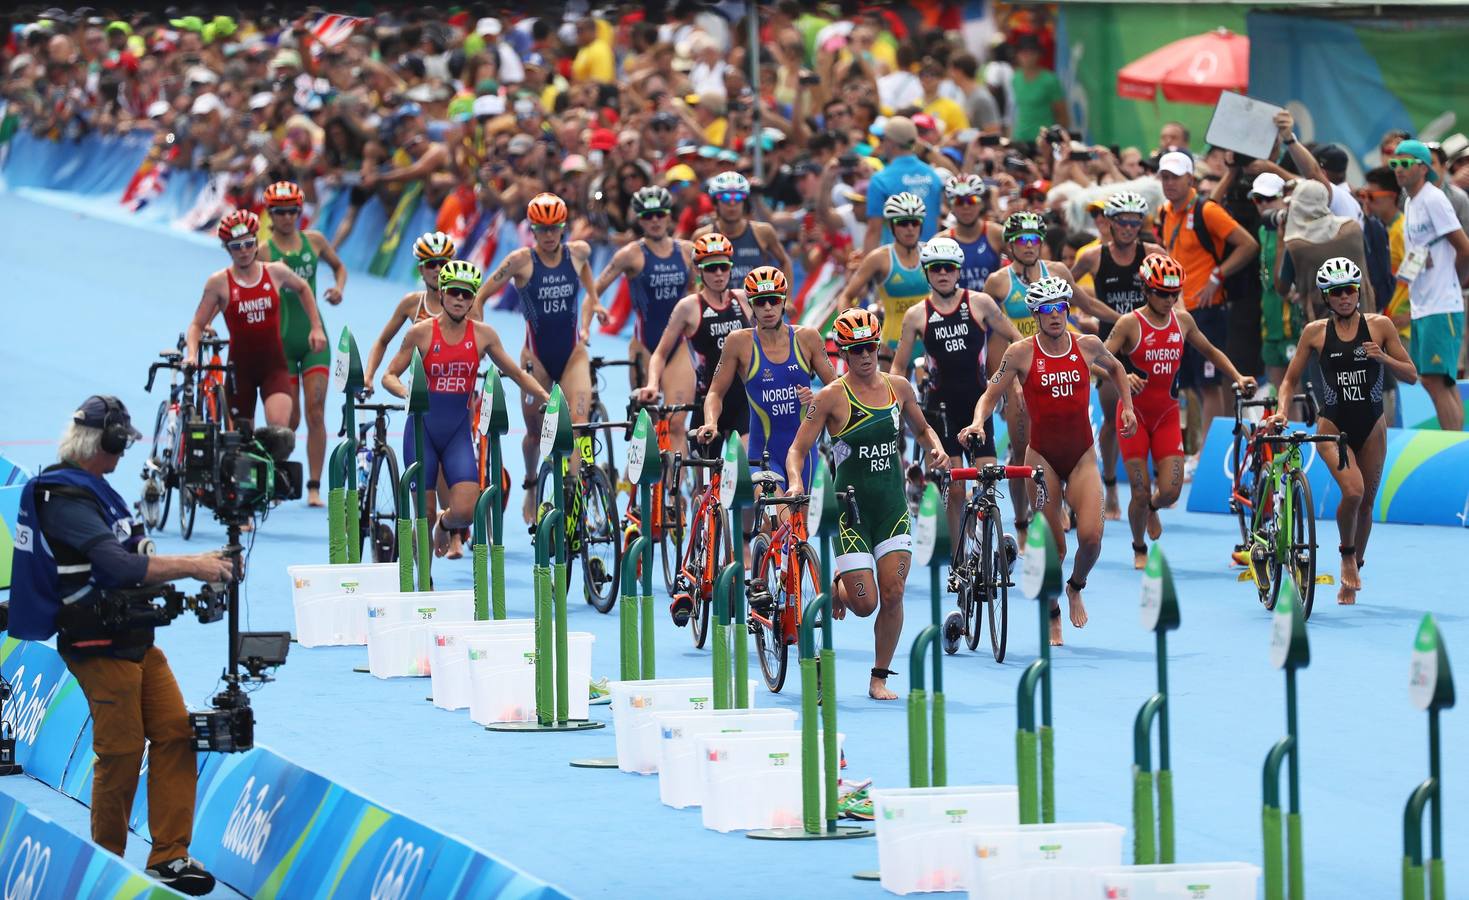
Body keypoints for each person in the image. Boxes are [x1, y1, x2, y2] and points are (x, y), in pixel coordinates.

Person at [7, 396, 234, 895]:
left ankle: (169, 857)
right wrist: (195, 564)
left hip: (135, 641)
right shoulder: (63, 499)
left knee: (176, 732)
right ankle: (105, 863)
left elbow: (132, 555)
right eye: (120, 444)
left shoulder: (93, 490)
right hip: (95, 645)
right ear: (102, 444)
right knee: (123, 750)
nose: (124, 454)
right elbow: (119, 567)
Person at [960, 277, 1136, 646]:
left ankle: (1075, 586)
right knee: (1056, 547)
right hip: (1041, 462)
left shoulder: (1087, 345)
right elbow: (990, 394)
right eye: (1047, 309)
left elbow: (1118, 370)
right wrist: (978, 422)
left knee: (1091, 539)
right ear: (1036, 314)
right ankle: (1053, 610)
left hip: (1082, 455)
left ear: (1067, 311)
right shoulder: (1020, 353)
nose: (1055, 315)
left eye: (1060, 308)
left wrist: (1128, 409)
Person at [784, 308, 949, 700]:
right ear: (843, 352)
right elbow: (797, 449)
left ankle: (879, 678)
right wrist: (794, 481)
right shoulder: (828, 398)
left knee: (893, 592)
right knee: (865, 604)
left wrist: (937, 449)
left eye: (870, 347)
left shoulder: (898, 387)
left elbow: (922, 428)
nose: (865, 355)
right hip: (850, 512)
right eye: (856, 349)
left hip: (891, 507)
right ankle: (840, 585)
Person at [1270, 258, 1418, 604]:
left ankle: (1354, 572)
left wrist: (1382, 358)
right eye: (1337, 292)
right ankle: (1346, 555)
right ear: (1326, 296)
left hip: (1372, 425)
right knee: (1352, 492)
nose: (1345, 297)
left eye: (1350, 290)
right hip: (1333, 426)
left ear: (1358, 292)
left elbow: (1411, 374)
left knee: (1366, 504)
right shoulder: (1316, 332)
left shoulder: (1380, 326)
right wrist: (1281, 410)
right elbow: (1289, 380)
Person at [382, 261, 549, 554]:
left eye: (467, 294)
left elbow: (517, 373)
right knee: (425, 513)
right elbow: (389, 375)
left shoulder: (484, 335)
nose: (460, 299)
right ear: (443, 293)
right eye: (455, 293)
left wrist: (547, 397)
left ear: (474, 299)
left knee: (466, 511)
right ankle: (425, 584)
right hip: (422, 433)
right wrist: (405, 391)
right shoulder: (421, 333)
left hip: (457, 434)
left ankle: (445, 527)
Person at [1104, 253, 1254, 569]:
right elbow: (1095, 358)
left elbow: (1211, 351)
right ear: (1146, 289)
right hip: (1133, 416)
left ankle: (1152, 509)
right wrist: (1121, 374)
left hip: (1167, 415)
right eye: (1162, 293)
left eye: (1175, 293)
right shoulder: (1130, 323)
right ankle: (1139, 546)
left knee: (1169, 494)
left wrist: (1238, 376)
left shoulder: (1182, 321)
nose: (1170, 299)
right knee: (1140, 491)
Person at [984, 210, 1119, 532]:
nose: (1029, 246)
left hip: (1060, 363)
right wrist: (998, 383)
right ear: (1010, 245)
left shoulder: (1057, 271)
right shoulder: (998, 282)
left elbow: (1087, 306)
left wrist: (1128, 318)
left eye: (1034, 240)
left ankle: (1067, 503)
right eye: (1021, 240)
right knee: (1020, 453)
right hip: (1020, 372)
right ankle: (1020, 522)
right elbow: (991, 335)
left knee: (1065, 437)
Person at [477, 193, 608, 521]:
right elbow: (480, 297)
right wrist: (476, 337)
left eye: (554, 229)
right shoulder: (520, 261)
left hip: (572, 354)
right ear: (532, 230)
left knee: (578, 425)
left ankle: (573, 494)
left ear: (563, 228)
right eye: (542, 229)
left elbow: (589, 284)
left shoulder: (579, 253)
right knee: (535, 434)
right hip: (535, 359)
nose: (549, 236)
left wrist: (595, 303)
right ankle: (532, 484)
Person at [890, 236, 1023, 540]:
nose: (943, 274)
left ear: (958, 270)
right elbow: (899, 368)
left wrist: (1011, 379)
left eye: (949, 268)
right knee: (957, 487)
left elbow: (1018, 340)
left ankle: (984, 555)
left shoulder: (980, 303)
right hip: (941, 410)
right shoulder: (915, 316)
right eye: (936, 269)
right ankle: (957, 558)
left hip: (978, 406)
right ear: (926, 272)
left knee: (987, 483)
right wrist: (894, 402)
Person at [362, 230, 472, 557]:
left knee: (453, 472)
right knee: (431, 470)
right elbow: (383, 341)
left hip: (458, 399)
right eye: (431, 264)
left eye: (444, 263)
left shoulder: (466, 301)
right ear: (421, 269)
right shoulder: (413, 304)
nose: (438, 270)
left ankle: (451, 532)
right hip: (424, 404)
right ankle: (434, 549)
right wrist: (370, 376)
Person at [1154, 150, 1259, 470]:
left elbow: (1248, 244)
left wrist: (1218, 274)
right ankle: (1211, 449)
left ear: (1190, 179)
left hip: (1208, 308)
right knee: (1192, 384)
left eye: (1175, 177)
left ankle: (1212, 454)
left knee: (1210, 384)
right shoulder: (1165, 211)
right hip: (1178, 309)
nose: (1169, 183)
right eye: (1164, 177)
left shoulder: (1207, 210)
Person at [694, 265, 838, 483]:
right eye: (761, 301)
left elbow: (836, 389)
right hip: (763, 456)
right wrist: (711, 422)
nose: (768, 307)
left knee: (803, 519)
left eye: (774, 300)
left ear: (783, 301)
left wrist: (817, 399)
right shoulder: (738, 342)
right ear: (751, 304)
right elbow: (715, 392)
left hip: (805, 454)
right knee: (777, 517)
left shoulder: (807, 338)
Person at [1070, 190, 1165, 519]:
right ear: (1109, 223)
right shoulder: (1094, 257)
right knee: (1113, 421)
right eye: (1121, 222)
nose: (1127, 228)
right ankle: (1110, 484)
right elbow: (1064, 287)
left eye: (1134, 222)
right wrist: (1083, 315)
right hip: (1110, 345)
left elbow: (1172, 294)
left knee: (1152, 415)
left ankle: (1149, 486)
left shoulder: (1152, 253)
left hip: (1147, 346)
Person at [185, 210, 324, 430]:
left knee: (279, 434)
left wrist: (316, 327)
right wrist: (192, 355)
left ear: (257, 243)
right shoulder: (218, 282)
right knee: (240, 440)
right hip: (239, 371)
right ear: (227, 248)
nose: (244, 251)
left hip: (274, 367)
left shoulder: (276, 272)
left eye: (249, 244)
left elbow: (303, 288)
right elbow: (196, 325)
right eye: (236, 247)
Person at [258, 180, 347, 508]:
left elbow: (339, 267)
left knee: (315, 410)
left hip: (314, 337)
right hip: (281, 338)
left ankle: (313, 485)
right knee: (289, 419)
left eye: (292, 210)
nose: (286, 217)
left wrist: (338, 289)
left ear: (300, 211)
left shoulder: (315, 241)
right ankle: (277, 475)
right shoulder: (264, 251)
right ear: (270, 214)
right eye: (279, 212)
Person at [595, 185, 695, 451]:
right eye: (648, 216)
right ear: (640, 219)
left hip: (679, 346)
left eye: (660, 214)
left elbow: (700, 295)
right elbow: (594, 291)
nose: (654, 221)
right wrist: (586, 323)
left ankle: (674, 493)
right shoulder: (630, 254)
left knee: (676, 424)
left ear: (669, 217)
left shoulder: (687, 251)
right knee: (647, 423)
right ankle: (636, 479)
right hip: (644, 346)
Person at [637, 232, 752, 443]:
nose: (718, 273)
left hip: (742, 404)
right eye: (710, 268)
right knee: (705, 477)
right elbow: (660, 354)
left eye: (723, 267)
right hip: (705, 405)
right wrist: (653, 384)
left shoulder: (746, 299)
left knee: (743, 473)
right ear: (698, 270)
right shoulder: (688, 307)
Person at [1393, 139, 1469, 431]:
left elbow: (1464, 248)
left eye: (1405, 163)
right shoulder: (1411, 201)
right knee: (1437, 380)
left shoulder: (1434, 199)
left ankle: (1453, 446)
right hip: (1423, 304)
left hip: (1441, 305)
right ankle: (1458, 446)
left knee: (1435, 380)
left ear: (1423, 167)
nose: (1399, 169)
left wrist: (1453, 282)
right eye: (1394, 163)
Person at [839, 192, 932, 364]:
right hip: (891, 344)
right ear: (891, 226)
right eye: (903, 223)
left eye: (915, 222)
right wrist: (849, 333)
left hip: (930, 343)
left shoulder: (931, 253)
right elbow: (846, 296)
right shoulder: (879, 258)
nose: (910, 228)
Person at [692, 171, 791, 286]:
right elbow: (694, 275)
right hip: (718, 303)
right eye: (725, 197)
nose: (732, 203)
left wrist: (787, 298)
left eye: (738, 197)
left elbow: (785, 262)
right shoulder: (703, 236)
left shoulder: (762, 232)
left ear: (744, 201)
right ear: (715, 203)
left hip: (754, 302)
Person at [1249, 173, 1300, 390]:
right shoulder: (1262, 229)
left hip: (1292, 318)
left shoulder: (1296, 227)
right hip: (1269, 318)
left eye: (1268, 199)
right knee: (1276, 389)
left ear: (1283, 197)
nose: (1262, 205)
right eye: (1257, 199)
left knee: (1295, 390)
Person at [862, 116, 944, 251]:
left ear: (890, 143)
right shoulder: (932, 175)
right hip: (930, 261)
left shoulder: (881, 179)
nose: (880, 144)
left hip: (897, 264)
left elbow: (873, 232)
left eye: (882, 140)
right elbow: (936, 222)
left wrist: (868, 269)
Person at [935, 173, 1005, 294]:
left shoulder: (997, 233)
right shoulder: (941, 241)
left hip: (991, 310)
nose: (966, 206)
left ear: (981, 204)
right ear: (951, 207)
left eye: (971, 200)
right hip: (957, 310)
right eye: (959, 202)